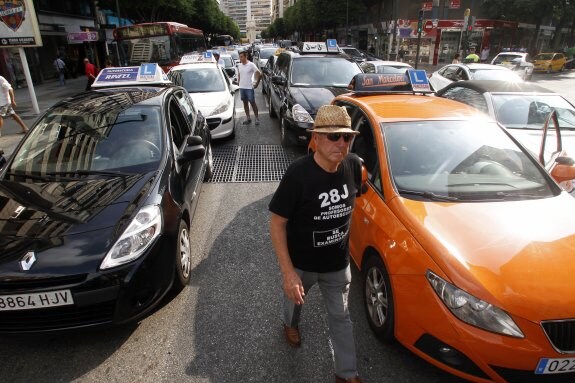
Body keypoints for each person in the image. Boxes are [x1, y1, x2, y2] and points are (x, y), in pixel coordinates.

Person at [269, 105, 363, 383]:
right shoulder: (298, 175)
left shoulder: (353, 166)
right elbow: (277, 223)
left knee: (341, 317)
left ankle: (347, 374)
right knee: (294, 303)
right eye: (333, 137)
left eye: (347, 137)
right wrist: (288, 273)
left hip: (337, 266)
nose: (342, 143)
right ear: (316, 139)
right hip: (301, 265)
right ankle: (290, 324)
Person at [237, 50, 261, 125]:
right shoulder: (239, 65)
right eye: (239, 57)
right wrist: (238, 83)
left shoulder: (251, 65)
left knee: (252, 103)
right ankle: (248, 118)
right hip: (242, 88)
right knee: (245, 103)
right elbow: (239, 74)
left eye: (241, 57)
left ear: (245, 56)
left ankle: (257, 118)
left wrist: (257, 84)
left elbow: (259, 74)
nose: (240, 58)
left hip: (249, 88)